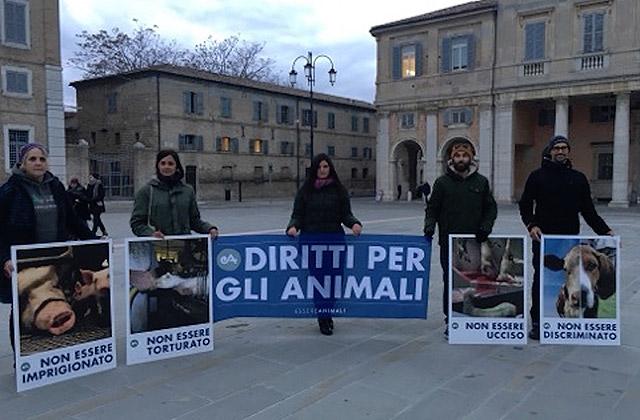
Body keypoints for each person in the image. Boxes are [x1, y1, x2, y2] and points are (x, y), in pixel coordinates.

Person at [0, 143, 95, 349]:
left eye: (42, 159)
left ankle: (56, 354)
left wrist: (94, 240)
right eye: (32, 159)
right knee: (19, 308)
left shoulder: (56, 187)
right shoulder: (10, 190)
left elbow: (72, 219)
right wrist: (4, 257)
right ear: (23, 164)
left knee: (63, 297)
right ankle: (21, 359)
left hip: (55, 259)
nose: (38, 163)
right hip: (25, 261)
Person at [519, 134, 614, 340]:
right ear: (550, 152)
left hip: (570, 239)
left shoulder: (578, 179)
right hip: (543, 238)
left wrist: (605, 232)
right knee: (541, 280)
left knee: (579, 279)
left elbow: (588, 211)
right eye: (556, 148)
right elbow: (525, 204)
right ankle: (537, 322)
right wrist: (531, 224)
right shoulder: (537, 177)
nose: (560, 151)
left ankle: (581, 320)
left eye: (564, 148)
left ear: (568, 151)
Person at [423, 139, 497, 336]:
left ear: (470, 158)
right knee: (451, 281)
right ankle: (452, 318)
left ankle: (475, 313)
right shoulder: (442, 183)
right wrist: (429, 226)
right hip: (449, 242)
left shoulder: (481, 182)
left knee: (476, 279)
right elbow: (432, 209)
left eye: (464, 155)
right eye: (457, 155)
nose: (461, 159)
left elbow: (490, 208)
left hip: (475, 242)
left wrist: (485, 228)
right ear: (451, 158)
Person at [286, 153, 362, 335]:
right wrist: (292, 227)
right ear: (314, 169)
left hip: (334, 241)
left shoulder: (339, 190)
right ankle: (323, 317)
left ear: (330, 168)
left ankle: (328, 312)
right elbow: (297, 214)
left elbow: (346, 214)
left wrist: (354, 223)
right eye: (319, 167)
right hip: (312, 242)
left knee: (335, 281)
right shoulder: (305, 191)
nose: (322, 170)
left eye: (325, 167)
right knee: (318, 281)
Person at [130, 149, 218, 239]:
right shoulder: (146, 191)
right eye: (163, 163)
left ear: (176, 167)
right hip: (157, 247)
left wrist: (209, 229)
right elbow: (137, 224)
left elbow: (194, 221)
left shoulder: (187, 191)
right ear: (158, 166)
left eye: (170, 164)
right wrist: (151, 234)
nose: (166, 167)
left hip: (184, 247)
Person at [86, 173, 108, 237]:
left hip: (98, 205)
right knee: (97, 219)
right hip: (92, 205)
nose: (90, 179)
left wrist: (94, 199)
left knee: (96, 218)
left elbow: (101, 195)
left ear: (95, 178)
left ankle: (93, 232)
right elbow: (87, 194)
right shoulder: (89, 185)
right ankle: (103, 231)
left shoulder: (99, 185)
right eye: (90, 177)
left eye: (91, 177)